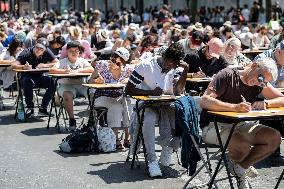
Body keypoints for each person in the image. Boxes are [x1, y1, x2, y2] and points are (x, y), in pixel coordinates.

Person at [200, 57, 283, 189]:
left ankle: (240, 168)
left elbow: (282, 99)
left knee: (274, 137)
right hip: (213, 125)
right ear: (255, 66)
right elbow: (204, 101)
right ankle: (241, 173)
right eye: (260, 78)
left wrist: (266, 103)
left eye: (264, 82)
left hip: (240, 124)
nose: (259, 83)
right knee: (243, 144)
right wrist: (234, 107)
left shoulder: (260, 83)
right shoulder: (227, 75)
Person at [125, 43, 188, 177]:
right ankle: (152, 160)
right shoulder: (146, 65)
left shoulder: (176, 68)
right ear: (163, 56)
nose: (169, 67)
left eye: (173, 65)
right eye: (168, 63)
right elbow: (128, 89)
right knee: (148, 119)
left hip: (166, 105)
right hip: (147, 104)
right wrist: (150, 92)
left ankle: (169, 147)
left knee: (181, 116)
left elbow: (177, 91)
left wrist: (185, 70)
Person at [89, 47, 133, 149]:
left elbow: (137, 80)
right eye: (113, 59)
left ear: (124, 63)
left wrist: (127, 80)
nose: (113, 63)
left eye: (118, 62)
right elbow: (90, 80)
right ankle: (115, 138)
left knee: (128, 104)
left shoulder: (128, 70)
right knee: (116, 106)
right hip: (102, 95)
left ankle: (128, 137)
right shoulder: (102, 65)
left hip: (119, 95)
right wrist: (96, 81)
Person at [49, 41, 94, 130]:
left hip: (81, 85)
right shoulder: (62, 62)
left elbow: (91, 69)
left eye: (76, 51)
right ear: (67, 52)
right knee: (67, 95)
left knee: (94, 93)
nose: (73, 53)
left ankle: (93, 119)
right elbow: (52, 70)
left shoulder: (82, 61)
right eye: (71, 51)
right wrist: (64, 71)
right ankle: (72, 119)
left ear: (79, 52)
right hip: (66, 85)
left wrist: (78, 71)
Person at [12, 38, 59, 118]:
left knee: (54, 82)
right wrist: (23, 67)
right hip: (26, 77)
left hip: (40, 77)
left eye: (41, 49)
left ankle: (43, 108)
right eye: (37, 47)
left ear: (45, 50)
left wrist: (44, 65)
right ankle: (30, 107)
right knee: (28, 82)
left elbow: (57, 62)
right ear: (34, 46)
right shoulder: (26, 52)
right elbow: (13, 64)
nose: (38, 50)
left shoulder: (47, 52)